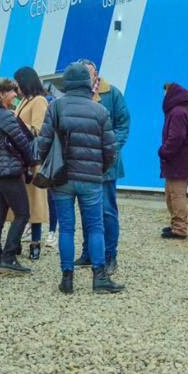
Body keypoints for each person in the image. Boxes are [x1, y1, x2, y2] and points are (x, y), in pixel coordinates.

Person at [36, 62, 122, 294]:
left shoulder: (56, 107)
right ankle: (99, 277)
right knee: (95, 227)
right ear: (87, 83)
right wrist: (100, 169)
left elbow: (43, 143)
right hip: (91, 179)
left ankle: (67, 279)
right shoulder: (99, 110)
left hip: (62, 177)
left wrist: (41, 164)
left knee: (66, 228)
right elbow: (111, 149)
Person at [73, 59, 130, 276]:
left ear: (96, 73)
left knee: (107, 211)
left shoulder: (112, 94)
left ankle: (109, 256)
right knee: (87, 210)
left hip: (106, 164)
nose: (86, 77)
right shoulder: (76, 95)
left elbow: (123, 124)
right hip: (82, 164)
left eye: (89, 73)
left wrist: (109, 146)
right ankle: (88, 252)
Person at [0, 77, 36, 275]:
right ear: (1, 94)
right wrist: (32, 161)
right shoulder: (5, 116)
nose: (16, 94)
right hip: (8, 172)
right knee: (22, 214)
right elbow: (22, 142)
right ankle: (9, 257)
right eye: (12, 91)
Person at [14, 66, 52, 260]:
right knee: (20, 202)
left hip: (33, 160)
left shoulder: (39, 101)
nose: (16, 87)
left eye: (18, 83)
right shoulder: (23, 101)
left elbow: (38, 129)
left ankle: (35, 243)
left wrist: (14, 125)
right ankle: (17, 239)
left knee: (35, 202)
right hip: (21, 158)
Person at [159, 83, 188, 239]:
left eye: (165, 93)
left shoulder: (177, 112)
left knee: (176, 194)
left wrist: (164, 151)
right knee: (171, 194)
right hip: (184, 157)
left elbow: (176, 138)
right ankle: (175, 224)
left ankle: (179, 228)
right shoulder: (187, 110)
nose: (164, 97)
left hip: (179, 159)